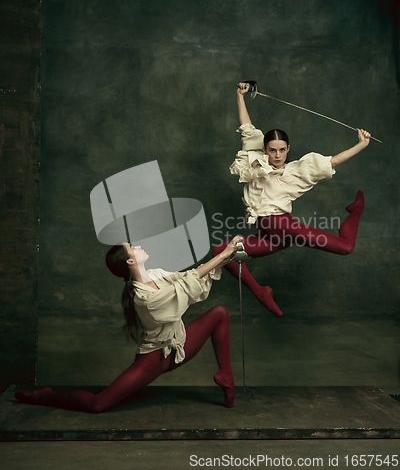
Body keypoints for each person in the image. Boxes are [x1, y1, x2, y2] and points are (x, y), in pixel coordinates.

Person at [15, 237, 242, 413]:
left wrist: (226, 254)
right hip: (154, 359)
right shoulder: (142, 297)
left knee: (219, 313)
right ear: (131, 261)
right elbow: (184, 286)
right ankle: (44, 396)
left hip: (178, 345)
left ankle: (225, 373)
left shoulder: (156, 275)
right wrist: (224, 254)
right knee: (98, 404)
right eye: (132, 247)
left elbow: (187, 278)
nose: (138, 245)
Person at [213, 82, 371, 317]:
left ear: (288, 149)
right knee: (220, 252)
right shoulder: (255, 159)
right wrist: (240, 96)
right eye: (272, 150)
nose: (277, 155)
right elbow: (246, 126)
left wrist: (361, 145)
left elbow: (333, 161)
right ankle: (260, 292)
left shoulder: (296, 171)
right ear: (264, 148)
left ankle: (356, 210)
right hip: (269, 234)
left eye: (282, 150)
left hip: (281, 225)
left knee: (346, 247)